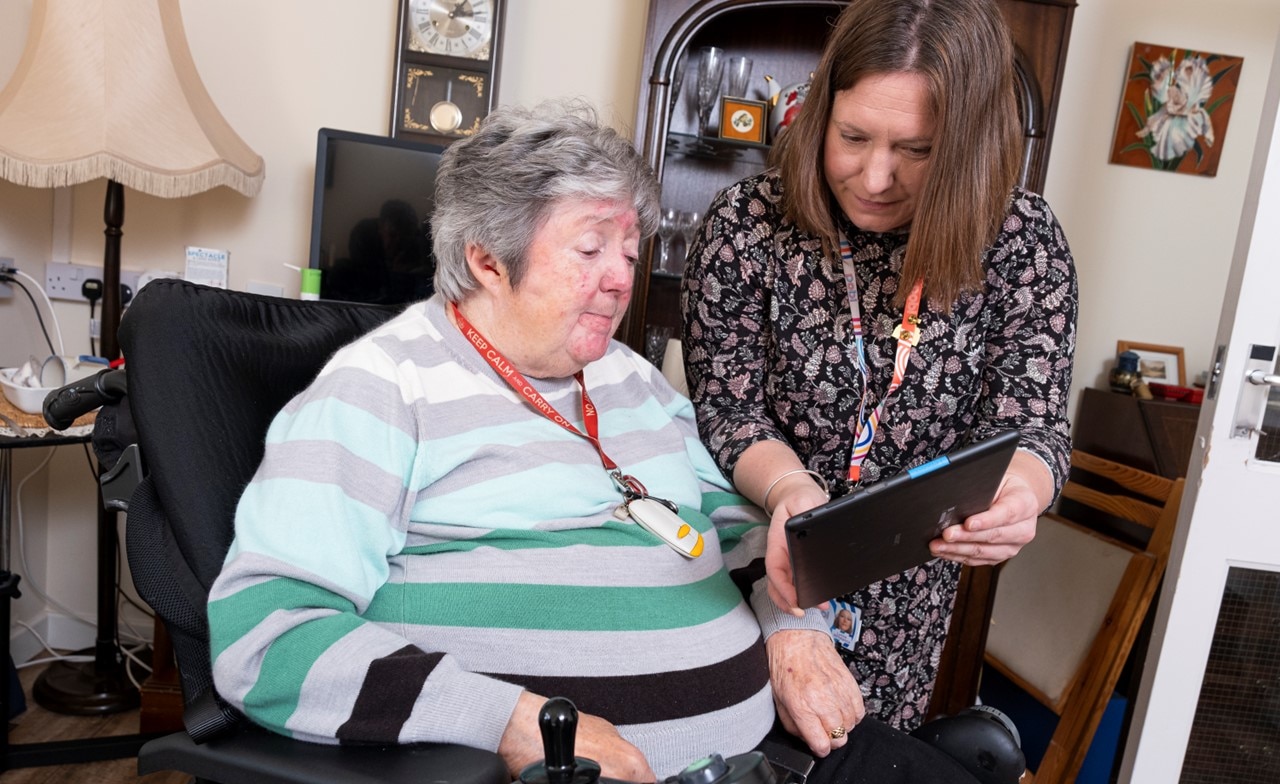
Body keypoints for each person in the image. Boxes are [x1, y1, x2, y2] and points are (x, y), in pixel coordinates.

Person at [206, 100, 982, 784]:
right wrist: (509, 722)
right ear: (485, 257)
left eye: (630, 255)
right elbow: (268, 636)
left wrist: (792, 630)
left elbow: (737, 524)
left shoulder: (630, 379)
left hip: (771, 755)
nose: (621, 280)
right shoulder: (380, 388)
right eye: (589, 251)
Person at [680, 0, 1078, 732]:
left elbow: (1036, 428)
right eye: (852, 136)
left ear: (969, 145)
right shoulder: (744, 226)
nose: (875, 175)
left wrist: (1020, 494)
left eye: (918, 150)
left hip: (907, 608)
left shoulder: (1023, 243)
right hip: (754, 570)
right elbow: (728, 410)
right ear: (820, 111)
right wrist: (792, 492)